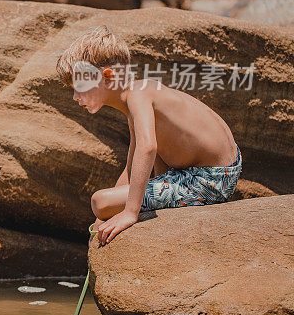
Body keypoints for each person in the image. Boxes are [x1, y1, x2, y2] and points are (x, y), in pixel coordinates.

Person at [55, 25, 242, 245]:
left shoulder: (138, 94)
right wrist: (102, 218)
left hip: (208, 180)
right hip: (217, 169)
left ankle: (141, 202)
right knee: (104, 206)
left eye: (79, 86)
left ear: (107, 76)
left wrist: (129, 212)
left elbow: (148, 147)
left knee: (99, 200)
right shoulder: (139, 95)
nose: (76, 96)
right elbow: (131, 168)